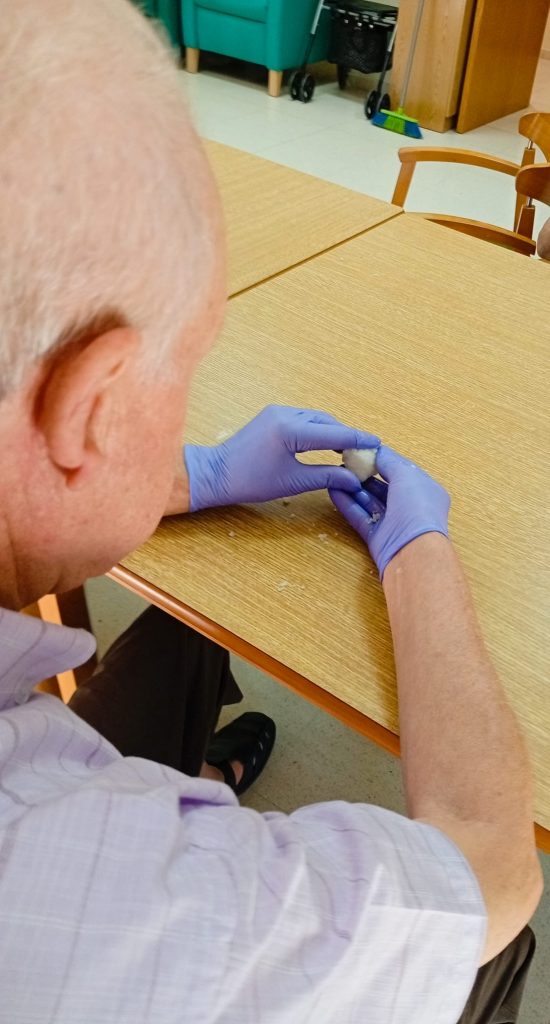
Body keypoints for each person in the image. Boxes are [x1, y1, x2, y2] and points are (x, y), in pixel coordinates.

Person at [0, 2, 542, 1022]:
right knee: (502, 951)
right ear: (91, 404)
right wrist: (418, 547)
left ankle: (198, 767)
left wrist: (193, 475)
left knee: (183, 635)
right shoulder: (126, 909)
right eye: (189, 364)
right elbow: (488, 867)